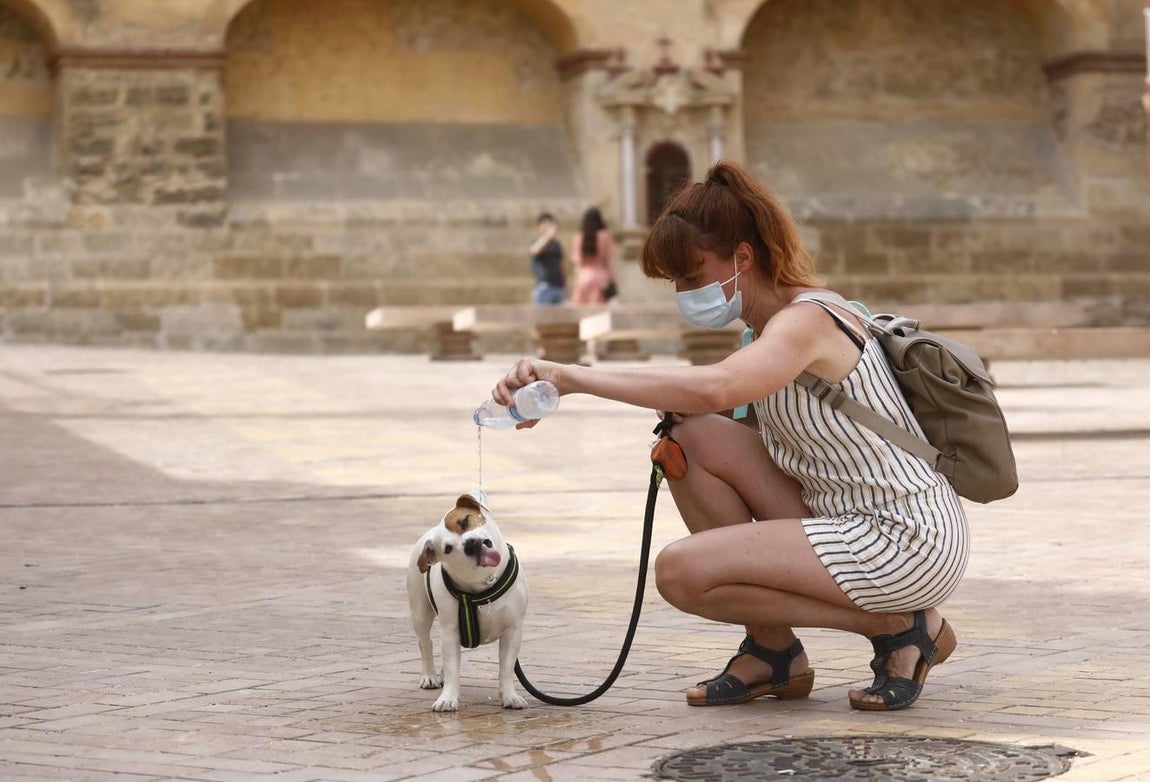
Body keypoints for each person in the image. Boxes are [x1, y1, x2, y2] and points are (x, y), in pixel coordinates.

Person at [490, 160, 968, 711]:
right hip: (843, 516)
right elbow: (694, 403)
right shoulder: (762, 331)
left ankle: (899, 623)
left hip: (904, 535)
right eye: (677, 283)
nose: (684, 293)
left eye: (692, 277)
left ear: (742, 258)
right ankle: (774, 652)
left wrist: (569, 376)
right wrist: (544, 393)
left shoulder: (807, 320)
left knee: (682, 571)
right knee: (688, 440)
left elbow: (716, 386)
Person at [570, 207, 618, 305]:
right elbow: (609, 261)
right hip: (601, 278)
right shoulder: (605, 236)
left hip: (582, 278)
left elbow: (577, 263)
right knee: (599, 316)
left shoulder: (579, 237)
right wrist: (611, 279)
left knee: (581, 315)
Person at [529, 212, 566, 306]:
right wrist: (547, 236)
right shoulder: (536, 241)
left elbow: (561, 265)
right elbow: (535, 250)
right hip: (544, 287)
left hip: (559, 287)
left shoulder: (557, 245)